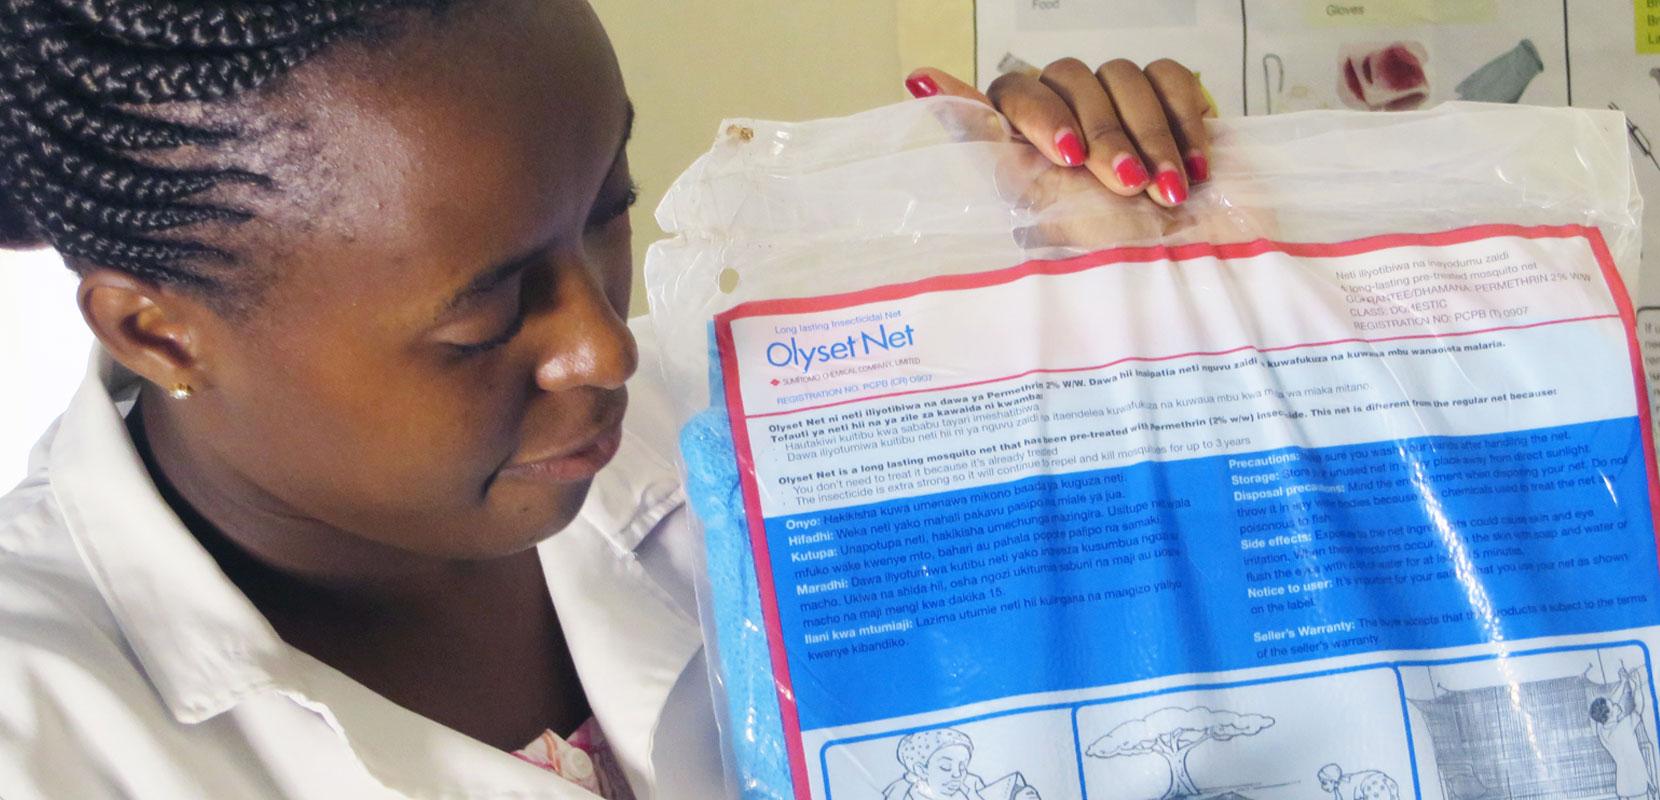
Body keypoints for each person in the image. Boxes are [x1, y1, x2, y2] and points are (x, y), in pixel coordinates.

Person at [0, 1, 1212, 797]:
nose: (603, 345)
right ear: (157, 329)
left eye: (606, 209)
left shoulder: (772, 403)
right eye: (484, 317)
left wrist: (1108, 268)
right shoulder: (44, 732)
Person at [1591, 668, 1658, 800]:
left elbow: (1611, 700)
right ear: (1609, 714)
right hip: (1637, 784)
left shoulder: (1602, 730)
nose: (1617, 705)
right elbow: (1639, 707)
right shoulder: (1624, 727)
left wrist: (1623, 682)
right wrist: (1636, 684)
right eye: (1613, 706)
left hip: (1623, 785)